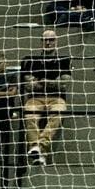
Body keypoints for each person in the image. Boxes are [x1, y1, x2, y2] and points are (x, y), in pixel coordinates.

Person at [20, 29, 72, 166]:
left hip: (57, 98)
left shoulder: (64, 60)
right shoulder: (31, 60)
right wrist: (54, 82)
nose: (48, 43)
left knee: (58, 113)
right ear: (41, 42)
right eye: (45, 40)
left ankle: (39, 147)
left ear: (56, 41)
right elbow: (28, 85)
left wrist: (43, 82)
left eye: (51, 40)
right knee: (29, 115)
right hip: (35, 98)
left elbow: (65, 84)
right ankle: (40, 151)